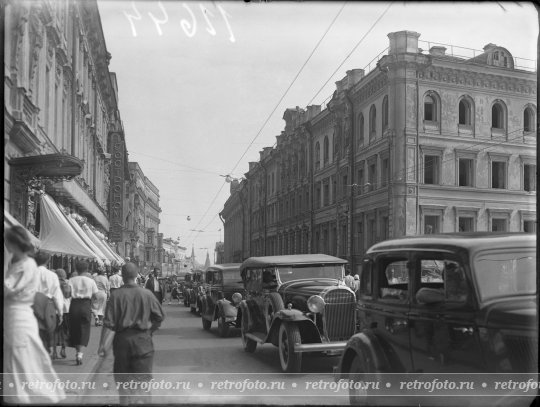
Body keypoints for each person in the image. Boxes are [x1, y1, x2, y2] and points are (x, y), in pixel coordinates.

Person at [3, 226, 65, 404]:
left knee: (20, 358)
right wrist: (60, 311)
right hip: (23, 313)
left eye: (7, 240)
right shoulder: (16, 262)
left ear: (14, 242)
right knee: (17, 357)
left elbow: (9, 288)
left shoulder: (27, 264)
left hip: (21, 316)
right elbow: (57, 294)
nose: (5, 244)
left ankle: (24, 398)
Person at [98, 262, 165, 405]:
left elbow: (108, 323)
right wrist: (150, 331)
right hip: (143, 341)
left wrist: (102, 345)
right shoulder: (146, 294)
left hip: (122, 342)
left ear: (122, 276)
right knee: (143, 381)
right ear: (136, 275)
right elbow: (159, 317)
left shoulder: (116, 296)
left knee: (123, 380)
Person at [34, 251, 65, 357]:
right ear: (48, 261)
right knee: (48, 329)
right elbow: (56, 295)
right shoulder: (52, 275)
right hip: (48, 305)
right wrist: (60, 312)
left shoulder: (28, 273)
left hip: (31, 304)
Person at [68, 261, 98, 365]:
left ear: (76, 268)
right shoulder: (91, 281)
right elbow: (96, 296)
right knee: (84, 329)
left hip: (74, 305)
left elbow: (67, 294)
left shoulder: (71, 280)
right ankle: (80, 353)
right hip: (85, 305)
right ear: (87, 269)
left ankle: (78, 352)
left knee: (75, 329)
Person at [53, 268, 71, 359]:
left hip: (55, 309)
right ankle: (63, 349)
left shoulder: (54, 283)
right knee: (65, 331)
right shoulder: (67, 283)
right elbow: (68, 295)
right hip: (66, 310)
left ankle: (54, 351)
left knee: (55, 331)